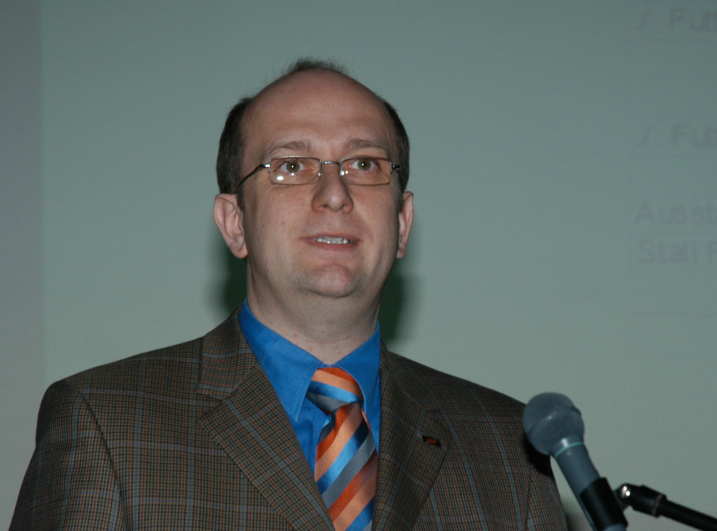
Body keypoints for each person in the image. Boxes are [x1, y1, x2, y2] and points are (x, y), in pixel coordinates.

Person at [12, 59, 567, 530]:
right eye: (292, 166)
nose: (335, 193)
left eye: (364, 164)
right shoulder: (106, 424)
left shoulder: (507, 446)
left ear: (402, 224)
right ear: (235, 224)